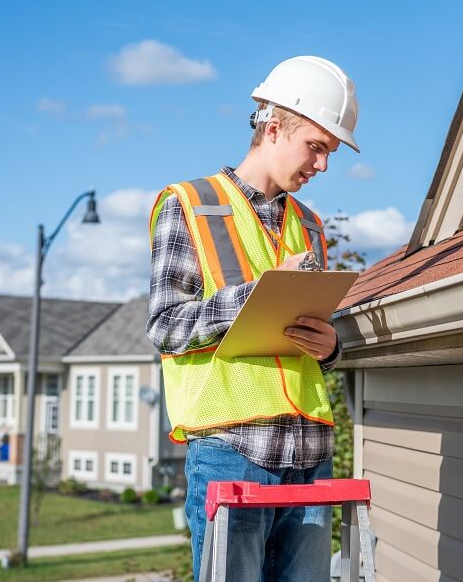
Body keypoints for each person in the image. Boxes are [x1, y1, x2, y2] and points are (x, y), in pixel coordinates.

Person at [146, 55, 360, 581]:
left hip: (310, 452)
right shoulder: (189, 206)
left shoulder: (309, 226)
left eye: (330, 153)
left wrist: (329, 347)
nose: (323, 165)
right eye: (316, 147)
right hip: (233, 450)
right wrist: (254, 295)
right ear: (273, 127)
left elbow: (304, 349)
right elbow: (166, 327)